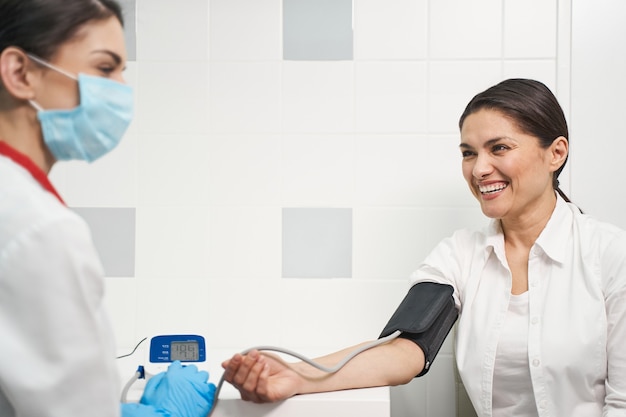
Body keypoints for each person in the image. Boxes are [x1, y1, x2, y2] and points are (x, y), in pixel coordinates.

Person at [221, 78, 626, 416]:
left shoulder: (611, 255)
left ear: (556, 152)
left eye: (498, 148)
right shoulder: (460, 256)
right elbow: (407, 349)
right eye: (468, 153)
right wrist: (296, 375)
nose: (479, 168)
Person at [0, 1, 215, 416]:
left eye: (122, 73)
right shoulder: (38, 227)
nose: (120, 90)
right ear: (20, 73)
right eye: (104, 69)